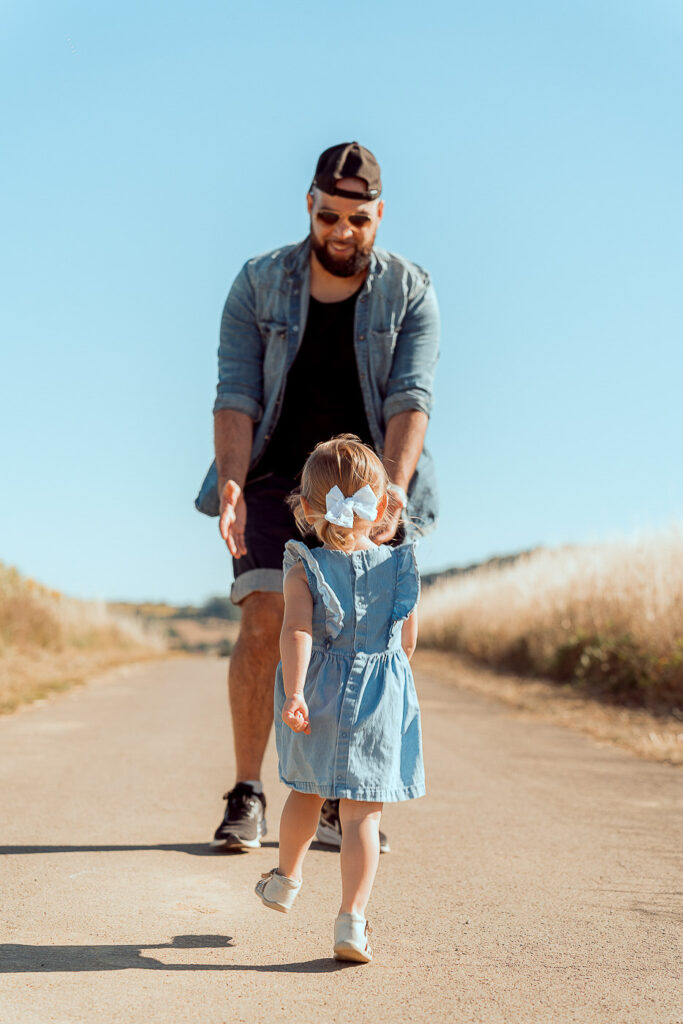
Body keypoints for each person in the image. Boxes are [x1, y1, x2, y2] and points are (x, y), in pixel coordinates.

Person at [195, 141, 439, 853]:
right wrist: (233, 481)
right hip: (277, 480)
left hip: (369, 485)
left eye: (357, 219)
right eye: (328, 215)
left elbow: (410, 399)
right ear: (309, 205)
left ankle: (342, 794)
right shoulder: (258, 282)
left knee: (372, 637)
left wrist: (392, 489)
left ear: (378, 215)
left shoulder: (409, 291)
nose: (341, 231)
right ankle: (248, 790)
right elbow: (234, 393)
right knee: (269, 614)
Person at [254, 437, 423, 963]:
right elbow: (407, 642)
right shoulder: (399, 564)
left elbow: (297, 631)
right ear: (381, 506)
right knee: (361, 817)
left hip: (320, 692)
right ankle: (351, 922)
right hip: (379, 696)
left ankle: (285, 879)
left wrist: (298, 691)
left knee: (306, 791)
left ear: (306, 507)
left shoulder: (303, 563)